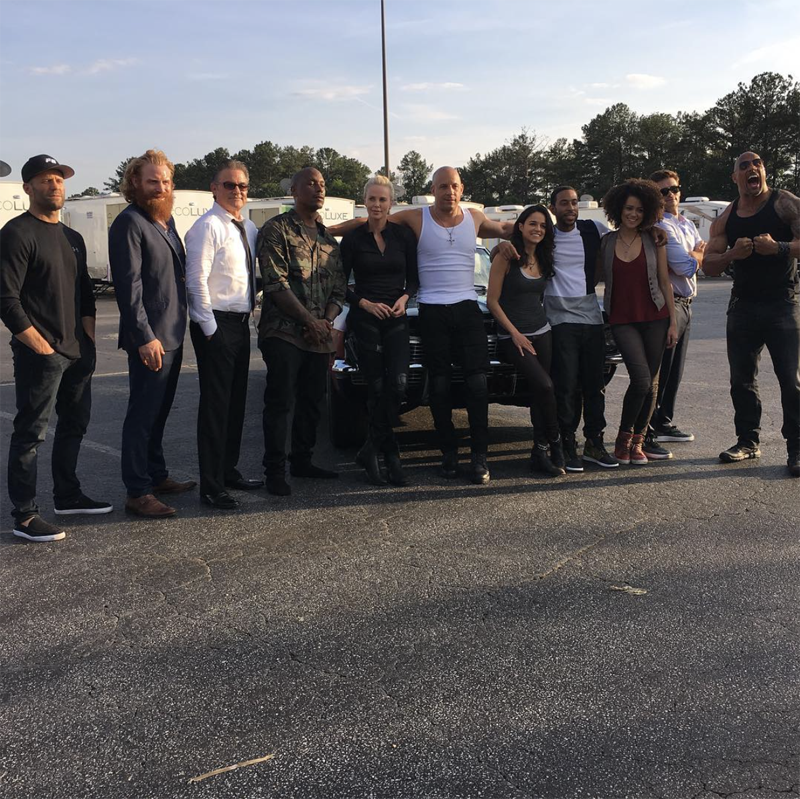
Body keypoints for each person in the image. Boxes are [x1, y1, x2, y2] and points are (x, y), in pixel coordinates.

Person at [334, 167, 514, 484]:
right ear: (433, 190)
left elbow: (506, 227)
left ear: (462, 188)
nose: (449, 191)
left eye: (454, 186)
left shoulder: (474, 217)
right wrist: (325, 228)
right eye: (442, 186)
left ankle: (479, 457)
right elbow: (368, 221)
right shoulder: (416, 218)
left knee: (477, 384)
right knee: (439, 386)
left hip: (468, 307)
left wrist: (518, 238)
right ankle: (448, 455)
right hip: (430, 308)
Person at [0, 154, 111, 542]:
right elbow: (7, 299)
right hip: (41, 356)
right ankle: (25, 515)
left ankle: (67, 495)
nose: (55, 185)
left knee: (74, 425)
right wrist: (41, 348)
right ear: (28, 188)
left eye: (59, 179)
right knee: (30, 434)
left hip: (77, 352)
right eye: (46, 179)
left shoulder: (72, 238)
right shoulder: (17, 233)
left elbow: (86, 296)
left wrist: (88, 341)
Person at [109, 149, 196, 518]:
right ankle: (138, 490)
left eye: (166, 181)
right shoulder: (129, 223)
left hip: (172, 333)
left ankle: (156, 475)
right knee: (142, 416)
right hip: (151, 338)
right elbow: (129, 288)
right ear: (135, 183)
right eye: (152, 181)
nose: (161, 188)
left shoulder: (165, 220)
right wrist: (144, 336)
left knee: (159, 412)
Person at [703, 151, 800, 475]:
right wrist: (732, 254)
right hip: (743, 305)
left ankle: (797, 447)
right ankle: (747, 441)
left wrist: (780, 248)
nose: (751, 168)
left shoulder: (785, 203)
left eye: (756, 163)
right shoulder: (726, 218)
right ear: (735, 177)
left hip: (782, 303)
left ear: (764, 171)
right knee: (741, 381)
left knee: (791, 380)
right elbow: (709, 265)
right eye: (743, 166)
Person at [257, 167, 346, 496]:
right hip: (283, 332)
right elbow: (275, 283)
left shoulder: (328, 240)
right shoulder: (276, 229)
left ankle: (303, 461)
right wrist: (310, 321)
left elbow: (339, 290)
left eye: (322, 184)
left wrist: (326, 321)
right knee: (280, 402)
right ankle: (274, 471)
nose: (318, 189)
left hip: (319, 336)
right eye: (310, 183)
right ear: (294, 190)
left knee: (312, 401)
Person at [185, 160, 262, 510]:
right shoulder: (207, 227)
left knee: (235, 404)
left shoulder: (248, 227)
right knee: (216, 408)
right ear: (214, 188)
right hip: (216, 324)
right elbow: (195, 281)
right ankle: (211, 486)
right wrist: (210, 330)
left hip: (240, 323)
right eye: (229, 185)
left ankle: (228, 470)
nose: (237, 191)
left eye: (242, 186)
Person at [340, 175, 418, 487]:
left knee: (398, 384)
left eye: (382, 199)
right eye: (371, 199)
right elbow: (339, 284)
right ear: (364, 202)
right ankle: (392, 459)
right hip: (365, 317)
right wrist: (365, 304)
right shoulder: (353, 239)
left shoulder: (403, 236)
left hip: (396, 316)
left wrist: (404, 298)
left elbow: (414, 279)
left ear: (391, 204)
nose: (376, 204)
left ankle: (370, 449)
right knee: (375, 388)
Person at [597, 179, 677, 465]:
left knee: (652, 383)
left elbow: (665, 282)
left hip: (656, 316)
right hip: (622, 320)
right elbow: (592, 276)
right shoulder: (606, 242)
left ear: (648, 212)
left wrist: (673, 322)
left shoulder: (654, 239)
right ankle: (623, 438)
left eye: (640, 210)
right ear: (619, 209)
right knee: (641, 379)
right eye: (629, 208)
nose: (633, 214)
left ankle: (637, 442)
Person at [487, 204, 564, 476]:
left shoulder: (544, 257)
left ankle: (539, 451)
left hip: (543, 331)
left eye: (543, 225)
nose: (538, 229)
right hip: (513, 336)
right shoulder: (506, 256)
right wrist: (514, 333)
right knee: (545, 385)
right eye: (532, 223)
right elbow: (492, 301)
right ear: (520, 226)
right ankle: (556, 442)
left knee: (540, 392)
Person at [546, 186, 619, 472]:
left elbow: (624, 237)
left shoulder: (592, 229)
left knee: (594, 385)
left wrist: (654, 233)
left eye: (574, 203)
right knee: (566, 385)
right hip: (559, 318)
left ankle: (594, 442)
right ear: (553, 208)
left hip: (590, 315)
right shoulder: (545, 234)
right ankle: (567, 443)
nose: (571, 208)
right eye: (564, 203)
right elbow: (514, 240)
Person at [645, 169, 706, 460]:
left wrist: (697, 256)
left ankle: (664, 422)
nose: (671, 195)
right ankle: (649, 428)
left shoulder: (686, 224)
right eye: (663, 191)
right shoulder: (660, 227)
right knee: (662, 369)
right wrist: (697, 255)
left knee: (676, 370)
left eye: (674, 189)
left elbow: (707, 256)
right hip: (671, 305)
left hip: (688, 302)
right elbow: (686, 266)